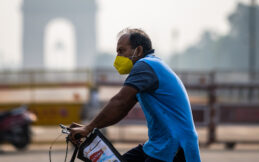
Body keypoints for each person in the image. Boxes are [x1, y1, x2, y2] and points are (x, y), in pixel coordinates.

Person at [69, 28, 201, 162]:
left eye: (122, 51)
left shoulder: (144, 66)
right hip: (159, 143)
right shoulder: (152, 65)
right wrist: (90, 127)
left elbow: (120, 102)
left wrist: (89, 127)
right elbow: (123, 109)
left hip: (175, 145)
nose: (118, 57)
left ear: (138, 50)